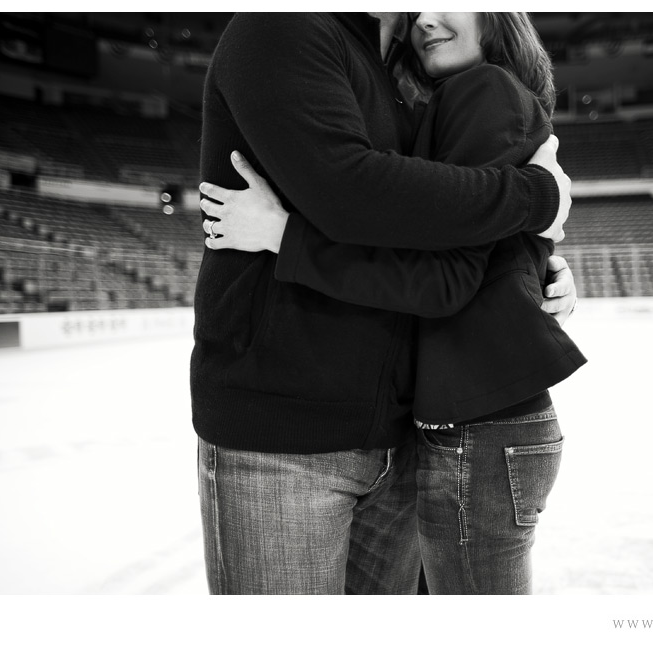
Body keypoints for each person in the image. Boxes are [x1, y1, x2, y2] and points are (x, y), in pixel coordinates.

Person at [192, 12, 576, 595]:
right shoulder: (285, 26)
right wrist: (536, 200)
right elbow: (353, 191)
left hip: (402, 437)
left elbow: (439, 252)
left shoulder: (427, 83)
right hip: (287, 440)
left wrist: (529, 262)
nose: (427, 17)